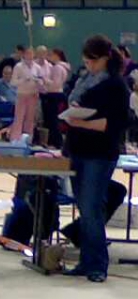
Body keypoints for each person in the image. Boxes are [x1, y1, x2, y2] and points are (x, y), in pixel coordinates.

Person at [63, 35, 130, 282]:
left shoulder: (115, 85)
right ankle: (86, 260)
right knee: (85, 207)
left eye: (93, 61)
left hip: (100, 153)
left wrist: (81, 122)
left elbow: (114, 123)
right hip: (78, 150)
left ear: (105, 59)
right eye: (86, 61)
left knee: (91, 208)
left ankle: (97, 265)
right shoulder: (85, 80)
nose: (88, 66)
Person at [10, 47, 42, 141]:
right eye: (27, 53)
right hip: (22, 95)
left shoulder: (37, 67)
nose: (30, 55)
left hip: (33, 95)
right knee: (19, 118)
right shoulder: (18, 66)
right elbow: (13, 82)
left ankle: (28, 140)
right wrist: (23, 80)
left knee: (30, 119)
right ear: (24, 55)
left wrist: (39, 82)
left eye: (31, 53)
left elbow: (41, 79)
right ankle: (15, 140)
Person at [42, 49, 71, 148]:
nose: (49, 57)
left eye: (51, 55)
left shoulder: (57, 68)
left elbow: (55, 83)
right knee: (54, 120)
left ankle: (56, 142)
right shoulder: (62, 67)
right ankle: (55, 142)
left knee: (52, 120)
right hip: (57, 94)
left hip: (53, 95)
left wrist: (45, 81)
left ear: (57, 56)